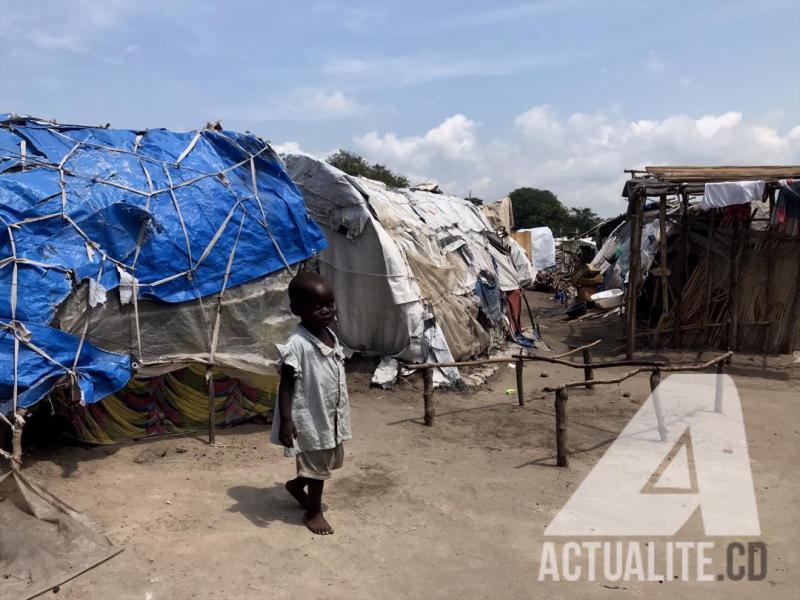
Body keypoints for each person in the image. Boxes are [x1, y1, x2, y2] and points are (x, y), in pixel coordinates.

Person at [270, 271, 351, 535]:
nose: (326, 311)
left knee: (326, 461)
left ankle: (296, 485)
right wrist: (286, 420)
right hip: (310, 417)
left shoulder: (329, 334)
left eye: (330, 304)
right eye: (318, 306)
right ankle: (313, 511)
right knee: (318, 465)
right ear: (297, 309)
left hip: (331, 413)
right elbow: (287, 385)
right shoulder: (297, 344)